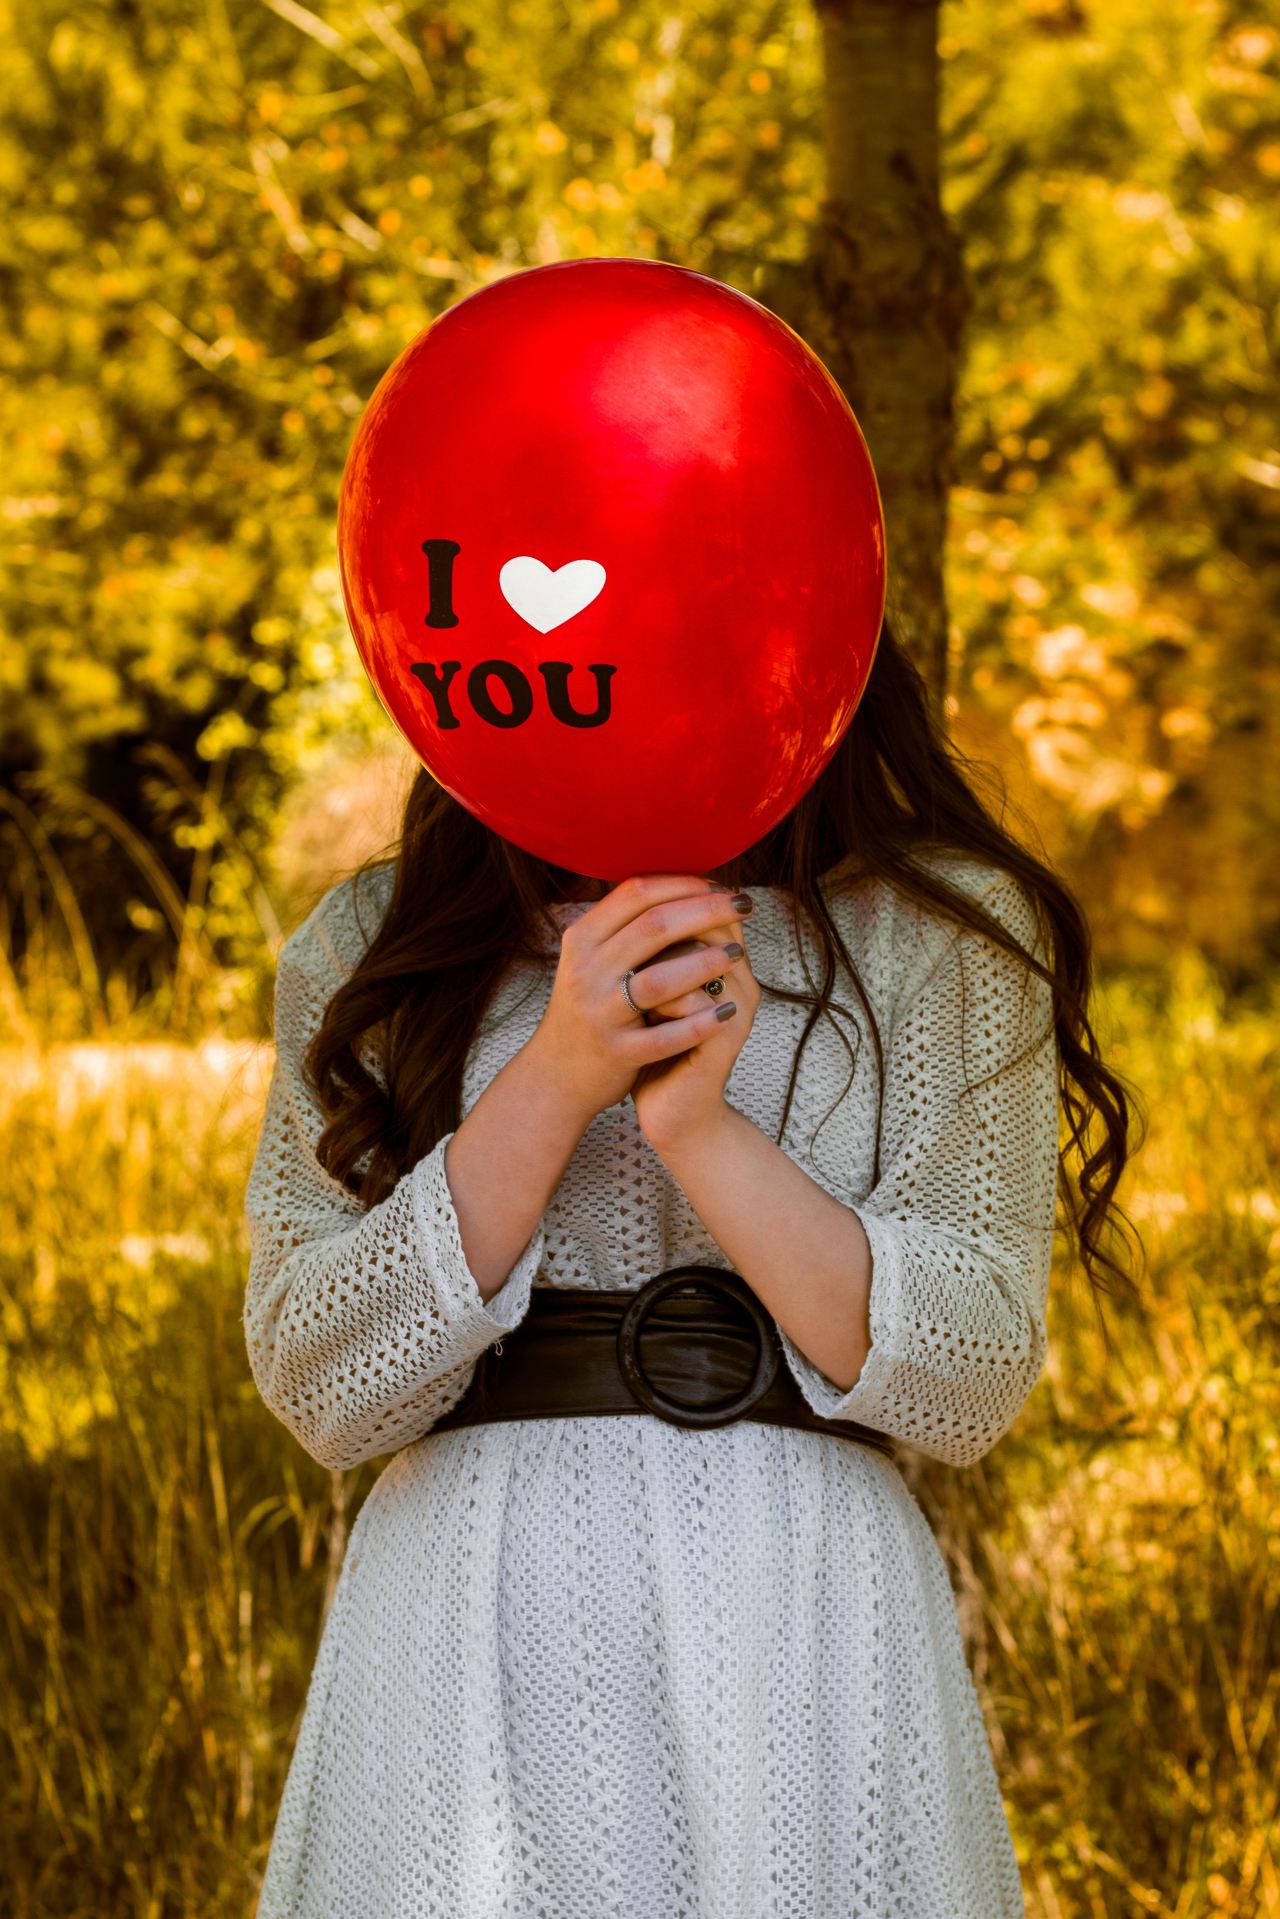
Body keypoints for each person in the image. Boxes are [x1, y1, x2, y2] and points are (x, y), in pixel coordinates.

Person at [242, 615, 1139, 1919]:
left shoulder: (937, 933)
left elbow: (972, 1374)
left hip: (808, 1609)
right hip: (474, 1603)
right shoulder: (373, 940)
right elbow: (321, 1382)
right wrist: (556, 1076)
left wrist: (697, 1129)